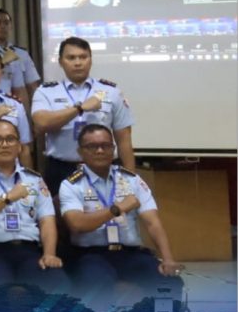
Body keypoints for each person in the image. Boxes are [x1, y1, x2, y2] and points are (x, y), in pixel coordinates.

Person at [58, 124, 182, 302]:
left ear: (113, 149)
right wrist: (117, 209)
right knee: (96, 284)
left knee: (169, 283)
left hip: (130, 253)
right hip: (91, 255)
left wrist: (168, 259)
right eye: (92, 146)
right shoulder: (71, 184)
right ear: (80, 152)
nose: (100, 150)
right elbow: (76, 224)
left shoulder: (132, 180)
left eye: (106, 145)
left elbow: (152, 223)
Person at [0, 121, 67, 292]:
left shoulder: (34, 179)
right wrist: (7, 198)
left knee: (60, 286)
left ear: (19, 146)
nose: (4, 144)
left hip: (29, 250)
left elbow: (47, 220)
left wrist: (49, 254)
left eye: (10, 139)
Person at [31, 37, 135, 193]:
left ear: (91, 60)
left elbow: (124, 140)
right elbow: (41, 123)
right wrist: (79, 109)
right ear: (60, 62)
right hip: (61, 169)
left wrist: (131, 182)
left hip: (103, 167)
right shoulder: (46, 91)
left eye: (83, 57)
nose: (78, 63)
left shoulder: (111, 92)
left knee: (107, 208)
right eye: (71, 58)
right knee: (58, 209)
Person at [0, 8, 42, 100]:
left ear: (11, 26)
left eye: (6, 23)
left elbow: (32, 86)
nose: (2, 26)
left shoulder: (22, 54)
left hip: (18, 103)